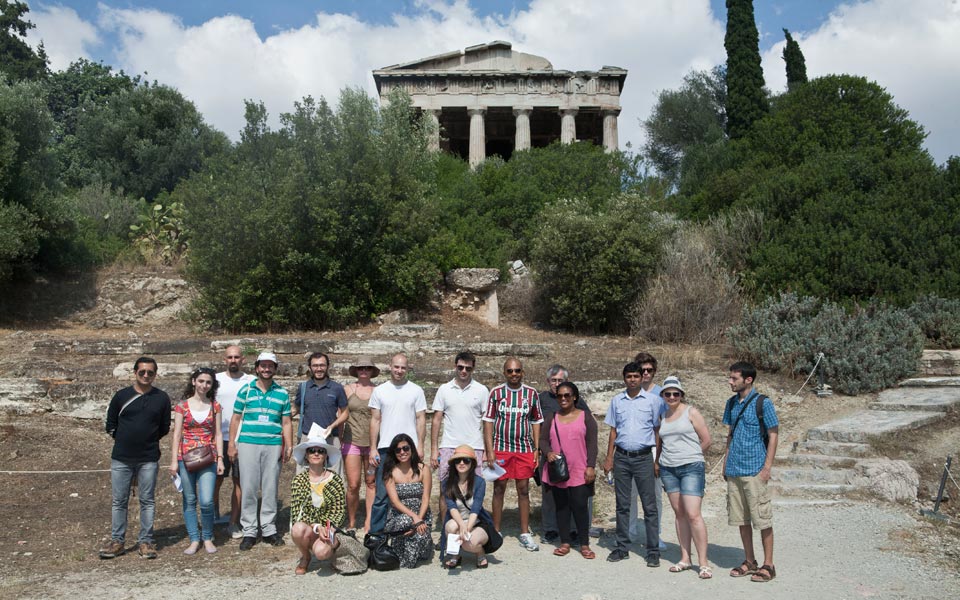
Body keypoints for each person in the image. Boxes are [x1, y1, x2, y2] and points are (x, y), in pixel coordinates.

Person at [100, 357, 171, 559]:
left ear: (155, 374)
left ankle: (146, 541)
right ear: (135, 373)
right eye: (142, 372)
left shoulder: (162, 398)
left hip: (148, 457)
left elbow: (164, 427)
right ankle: (117, 541)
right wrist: (125, 440)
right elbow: (111, 424)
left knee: (147, 500)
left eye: (150, 372)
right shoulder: (122, 396)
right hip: (122, 457)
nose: (146, 375)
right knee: (119, 501)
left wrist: (146, 441)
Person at [228, 351, 293, 550]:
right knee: (248, 486)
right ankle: (249, 530)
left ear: (275, 369)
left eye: (270, 366)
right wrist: (231, 443)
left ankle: (268, 528)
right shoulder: (245, 391)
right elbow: (236, 418)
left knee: (270, 486)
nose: (266, 369)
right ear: (257, 368)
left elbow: (287, 422)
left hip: (273, 443)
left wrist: (289, 444)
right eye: (263, 366)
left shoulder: (281, 393)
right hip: (248, 442)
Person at [603, 361, 665, 566]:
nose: (632, 380)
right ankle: (622, 548)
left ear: (642, 378)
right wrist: (609, 457)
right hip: (621, 457)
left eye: (636, 376)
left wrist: (656, 461)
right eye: (628, 376)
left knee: (649, 506)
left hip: (644, 458)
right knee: (622, 505)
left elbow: (657, 431)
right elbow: (613, 431)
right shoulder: (616, 401)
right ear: (624, 378)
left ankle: (653, 550)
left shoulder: (653, 401)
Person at [723, 362, 779, 583]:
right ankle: (750, 560)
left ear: (748, 380)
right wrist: (726, 464)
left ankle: (769, 564)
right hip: (735, 469)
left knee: (762, 519)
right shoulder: (731, 403)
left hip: (755, 469)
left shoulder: (763, 403)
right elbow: (730, 435)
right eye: (730, 377)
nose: (730, 381)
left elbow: (773, 435)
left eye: (734, 378)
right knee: (742, 519)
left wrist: (767, 468)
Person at [483, 357, 543, 552]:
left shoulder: (531, 393)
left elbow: (535, 421)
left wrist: (536, 449)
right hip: (501, 448)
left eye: (517, 370)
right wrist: (489, 449)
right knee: (499, 488)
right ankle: (496, 531)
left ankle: (525, 532)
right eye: (510, 371)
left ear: (522, 372)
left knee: (523, 489)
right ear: (504, 373)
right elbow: (489, 421)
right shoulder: (496, 393)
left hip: (524, 448)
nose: (514, 374)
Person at [655, 376, 713, 579]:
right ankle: (685, 558)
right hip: (669, 469)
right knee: (679, 514)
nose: (671, 397)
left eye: (675, 393)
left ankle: (703, 562)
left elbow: (706, 440)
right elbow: (660, 443)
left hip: (691, 467)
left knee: (693, 514)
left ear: (681, 395)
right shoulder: (662, 416)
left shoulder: (691, 412)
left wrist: (693, 456)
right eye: (668, 393)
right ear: (662, 395)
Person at [367, 353, 427, 533]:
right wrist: (372, 448)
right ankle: (377, 536)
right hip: (386, 448)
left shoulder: (416, 390)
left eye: (403, 367)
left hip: (409, 449)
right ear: (390, 366)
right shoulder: (380, 390)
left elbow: (420, 419)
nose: (399, 371)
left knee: (411, 492)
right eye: (396, 367)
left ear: (407, 369)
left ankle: (412, 529)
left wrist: (420, 446)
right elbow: (375, 420)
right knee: (381, 494)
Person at [168, 368, 224, 555]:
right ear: (193, 381)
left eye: (208, 382)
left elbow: (218, 433)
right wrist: (174, 460)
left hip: (208, 458)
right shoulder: (182, 406)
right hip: (186, 458)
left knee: (207, 501)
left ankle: (207, 537)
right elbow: (176, 434)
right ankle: (194, 538)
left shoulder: (215, 406)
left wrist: (220, 459)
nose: (204, 385)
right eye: (201, 381)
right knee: (190, 499)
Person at [540, 382, 598, 560]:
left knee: (580, 507)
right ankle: (564, 542)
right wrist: (548, 452)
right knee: (562, 507)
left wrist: (590, 466)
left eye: (567, 395)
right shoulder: (552, 417)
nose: (563, 399)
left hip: (580, 469)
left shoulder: (585, 417)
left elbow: (592, 443)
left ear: (575, 397)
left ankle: (584, 544)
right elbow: (542, 440)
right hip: (559, 470)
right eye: (559, 396)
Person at [430, 351, 488, 523]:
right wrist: (434, 450)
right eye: (461, 367)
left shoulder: (482, 390)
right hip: (449, 446)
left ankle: (471, 527)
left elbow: (487, 422)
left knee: (475, 489)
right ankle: (446, 530)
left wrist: (486, 449)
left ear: (473, 369)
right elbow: (437, 419)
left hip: (474, 447)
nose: (464, 371)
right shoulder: (444, 389)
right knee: (445, 489)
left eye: (468, 368)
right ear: (455, 366)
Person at [290, 424, 347, 575]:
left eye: (320, 451)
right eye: (312, 451)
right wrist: (316, 527)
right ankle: (306, 556)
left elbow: (339, 511)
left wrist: (327, 527)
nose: (316, 453)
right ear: (306, 456)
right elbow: (297, 514)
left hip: (329, 527)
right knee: (297, 529)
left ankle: (333, 552)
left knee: (322, 553)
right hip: (311, 528)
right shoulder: (298, 480)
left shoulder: (335, 480)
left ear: (325, 456)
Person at [215, 345, 255, 539]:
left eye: (236, 357)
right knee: (214, 480)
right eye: (229, 357)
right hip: (217, 438)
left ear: (243, 360)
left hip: (242, 439)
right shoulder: (216, 380)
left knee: (240, 482)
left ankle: (233, 522)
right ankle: (212, 516)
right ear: (224, 359)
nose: (233, 360)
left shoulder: (252, 381)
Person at [292, 352, 349, 476]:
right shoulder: (303, 387)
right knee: (304, 478)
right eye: (315, 365)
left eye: (322, 365)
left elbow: (345, 413)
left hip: (330, 439)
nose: (319, 369)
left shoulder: (337, 388)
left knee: (333, 477)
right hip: (308, 438)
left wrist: (332, 426)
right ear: (310, 367)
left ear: (328, 366)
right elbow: (295, 409)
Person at [631, 351, 666, 549]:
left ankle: (655, 534)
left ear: (654, 372)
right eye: (642, 369)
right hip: (632, 449)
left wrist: (659, 456)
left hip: (653, 449)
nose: (645, 373)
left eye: (649, 370)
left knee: (653, 495)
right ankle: (629, 532)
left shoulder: (662, 394)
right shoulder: (629, 391)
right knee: (630, 493)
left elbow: (663, 425)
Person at [383, 433, 433, 568]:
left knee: (422, 547)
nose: (402, 452)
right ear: (394, 453)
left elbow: (425, 497)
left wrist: (419, 521)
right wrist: (414, 519)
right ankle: (400, 544)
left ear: (412, 449)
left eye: (405, 448)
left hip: (421, 517)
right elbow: (394, 502)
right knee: (406, 520)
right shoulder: (390, 472)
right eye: (398, 450)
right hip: (399, 518)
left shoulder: (424, 469)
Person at [441, 444, 495, 569]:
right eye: (457, 460)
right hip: (458, 520)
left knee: (468, 544)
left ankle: (480, 553)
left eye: (466, 460)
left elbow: (476, 508)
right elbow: (452, 507)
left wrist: (467, 528)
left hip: (476, 522)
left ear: (472, 464)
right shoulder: (446, 483)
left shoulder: (479, 482)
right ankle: (455, 555)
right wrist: (462, 526)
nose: (461, 463)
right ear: (453, 463)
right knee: (450, 526)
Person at [341, 356, 378, 532]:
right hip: (352, 442)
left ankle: (369, 520)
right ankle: (352, 520)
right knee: (353, 484)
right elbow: (340, 413)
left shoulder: (378, 390)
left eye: (367, 368)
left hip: (372, 444)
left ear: (372, 371)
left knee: (371, 481)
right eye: (361, 368)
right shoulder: (347, 389)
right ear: (356, 370)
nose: (364, 371)